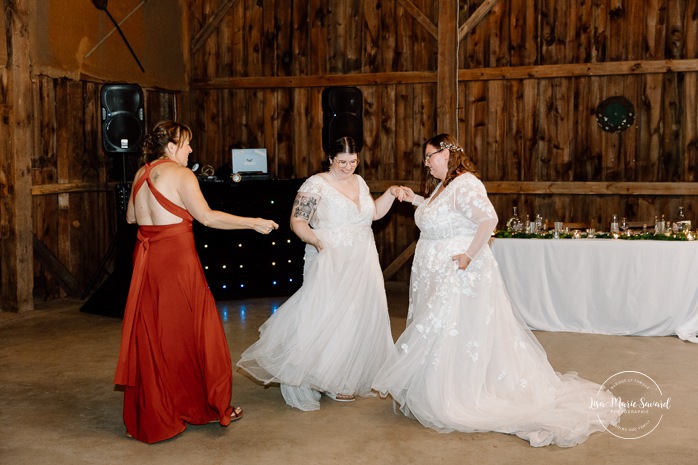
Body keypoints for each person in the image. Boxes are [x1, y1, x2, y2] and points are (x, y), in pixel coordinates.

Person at [372, 133, 622, 447]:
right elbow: (446, 215)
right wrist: (414, 200)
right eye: (425, 158)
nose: (426, 163)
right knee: (441, 330)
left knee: (451, 329)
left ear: (448, 154)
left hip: (459, 272)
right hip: (434, 271)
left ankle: (457, 392)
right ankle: (438, 384)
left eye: (429, 156)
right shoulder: (444, 186)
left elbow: (488, 219)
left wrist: (468, 256)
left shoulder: (466, 183)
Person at [113, 120, 279, 443]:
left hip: (146, 261)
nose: (191, 149)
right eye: (186, 144)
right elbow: (207, 217)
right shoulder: (182, 175)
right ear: (171, 147)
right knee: (197, 332)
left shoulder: (140, 174)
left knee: (155, 335)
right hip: (176, 262)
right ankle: (207, 404)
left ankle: (158, 410)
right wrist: (254, 222)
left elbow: (132, 218)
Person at [237, 136, 406, 411]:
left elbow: (372, 214)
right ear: (330, 159)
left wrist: (390, 193)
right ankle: (317, 374)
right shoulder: (316, 184)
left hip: (362, 259)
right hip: (330, 257)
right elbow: (297, 221)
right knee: (326, 313)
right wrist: (315, 241)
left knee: (355, 315)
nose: (347, 167)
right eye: (342, 162)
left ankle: (343, 377)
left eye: (353, 162)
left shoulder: (360, 182)